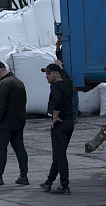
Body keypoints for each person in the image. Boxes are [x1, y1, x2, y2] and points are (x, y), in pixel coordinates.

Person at [0, 61, 28, 186]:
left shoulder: (4, 84)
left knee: (1, 149)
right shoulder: (19, 82)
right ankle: (23, 176)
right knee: (20, 148)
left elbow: (1, 105)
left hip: (5, 123)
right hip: (19, 122)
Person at [40, 63, 74, 195]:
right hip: (69, 123)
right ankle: (49, 182)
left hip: (59, 124)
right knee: (58, 154)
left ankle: (64, 186)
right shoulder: (68, 83)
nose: (46, 76)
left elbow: (58, 101)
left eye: (48, 73)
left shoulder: (55, 86)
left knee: (60, 156)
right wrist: (60, 66)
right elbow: (65, 75)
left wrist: (55, 116)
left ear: (56, 74)